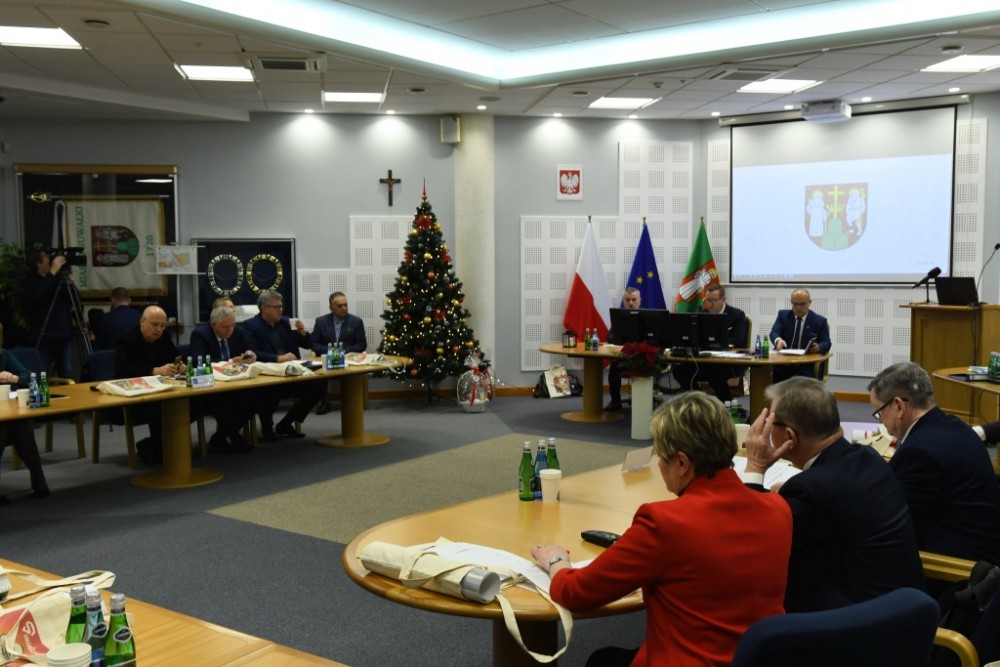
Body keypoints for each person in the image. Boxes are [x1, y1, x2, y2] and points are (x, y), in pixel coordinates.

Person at [531, 392, 792, 667]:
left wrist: (556, 559)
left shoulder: (664, 522)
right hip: (759, 659)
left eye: (661, 455)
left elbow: (576, 592)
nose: (659, 463)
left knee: (601, 661)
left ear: (682, 463)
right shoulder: (778, 509)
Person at [743, 376, 924, 612]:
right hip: (902, 611)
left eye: (770, 423)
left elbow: (748, 541)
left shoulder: (809, 491)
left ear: (789, 436)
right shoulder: (868, 458)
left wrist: (755, 466)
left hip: (852, 623)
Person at [868, 362, 1000, 563]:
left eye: (879, 413)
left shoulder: (918, 452)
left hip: (959, 567)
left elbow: (893, 523)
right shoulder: (955, 425)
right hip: (983, 543)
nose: (881, 421)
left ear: (899, 406)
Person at [242, 289, 322, 440]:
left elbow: (308, 344)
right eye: (276, 307)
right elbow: (252, 352)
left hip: (293, 372)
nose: (280, 310)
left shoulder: (287, 322)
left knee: (318, 387)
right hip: (269, 375)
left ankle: (286, 423)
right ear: (264, 308)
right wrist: (277, 358)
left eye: (281, 306)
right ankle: (267, 427)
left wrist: (303, 333)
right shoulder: (250, 326)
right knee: (270, 391)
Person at [115, 305, 183, 465]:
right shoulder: (127, 341)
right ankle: (158, 448)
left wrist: (180, 366)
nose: (159, 330)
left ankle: (158, 445)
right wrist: (154, 371)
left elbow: (176, 357)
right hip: (134, 397)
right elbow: (123, 372)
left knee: (191, 405)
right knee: (161, 408)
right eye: (155, 325)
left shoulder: (164, 338)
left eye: (163, 326)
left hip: (162, 391)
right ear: (142, 322)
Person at [188, 305, 257, 453]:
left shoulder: (237, 331)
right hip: (210, 386)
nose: (230, 330)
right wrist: (230, 362)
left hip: (236, 381)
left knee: (256, 396)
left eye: (232, 325)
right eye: (226, 327)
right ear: (213, 324)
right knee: (224, 401)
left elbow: (250, 347)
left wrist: (250, 354)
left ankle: (221, 435)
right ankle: (232, 435)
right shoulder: (200, 334)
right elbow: (199, 361)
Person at [0, 322, 50, 504]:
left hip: (4, 411)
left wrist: (15, 378)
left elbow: (30, 376)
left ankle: (39, 482)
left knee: (18, 424)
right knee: (3, 427)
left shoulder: (3, 355)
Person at [671, 285, 748, 401]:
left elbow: (739, 340)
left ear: (723, 299)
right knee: (679, 371)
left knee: (715, 374)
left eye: (713, 301)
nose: (710, 304)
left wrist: (718, 343)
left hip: (727, 363)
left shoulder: (737, 315)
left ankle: (727, 403)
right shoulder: (702, 314)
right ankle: (701, 400)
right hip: (705, 360)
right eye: (707, 300)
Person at [311, 291, 367, 415]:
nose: (344, 308)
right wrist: (330, 352)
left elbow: (362, 343)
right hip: (327, 357)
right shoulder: (321, 321)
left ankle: (352, 401)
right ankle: (324, 401)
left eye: (345, 305)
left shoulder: (356, 321)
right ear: (331, 307)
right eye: (340, 306)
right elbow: (313, 343)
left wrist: (344, 352)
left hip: (348, 358)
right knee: (319, 369)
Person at [25, 247, 75, 378]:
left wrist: (71, 284)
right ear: (38, 263)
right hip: (43, 334)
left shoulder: (58, 279)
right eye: (46, 257)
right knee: (41, 373)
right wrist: (52, 273)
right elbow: (37, 295)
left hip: (63, 333)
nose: (51, 260)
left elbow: (75, 301)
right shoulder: (31, 280)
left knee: (66, 372)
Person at [768, 288, 831, 382]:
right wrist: (778, 340)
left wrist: (819, 347)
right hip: (783, 361)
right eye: (795, 304)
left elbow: (827, 342)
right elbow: (774, 332)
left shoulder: (819, 321)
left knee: (801, 378)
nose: (798, 307)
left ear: (809, 303)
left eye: (802, 304)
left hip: (806, 363)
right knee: (768, 372)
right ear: (791, 303)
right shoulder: (783, 316)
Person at [604, 287, 641, 412]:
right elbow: (609, 336)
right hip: (624, 358)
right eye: (628, 300)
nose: (631, 303)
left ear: (639, 301)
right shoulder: (619, 317)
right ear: (624, 302)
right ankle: (615, 401)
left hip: (644, 358)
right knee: (614, 368)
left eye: (634, 300)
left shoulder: (648, 317)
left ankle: (642, 402)